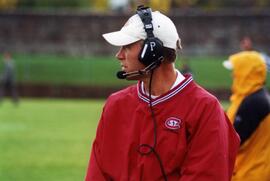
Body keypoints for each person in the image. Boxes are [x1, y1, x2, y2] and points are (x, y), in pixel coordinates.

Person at [85, 5, 239, 181]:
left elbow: (207, 175)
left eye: (127, 46)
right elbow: (97, 173)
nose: (118, 55)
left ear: (152, 51)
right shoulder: (115, 104)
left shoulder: (205, 108)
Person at [223, 51, 270, 180]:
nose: (233, 74)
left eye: (236, 70)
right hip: (250, 170)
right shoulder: (254, 97)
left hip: (250, 173)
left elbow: (231, 141)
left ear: (246, 72)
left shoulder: (254, 102)